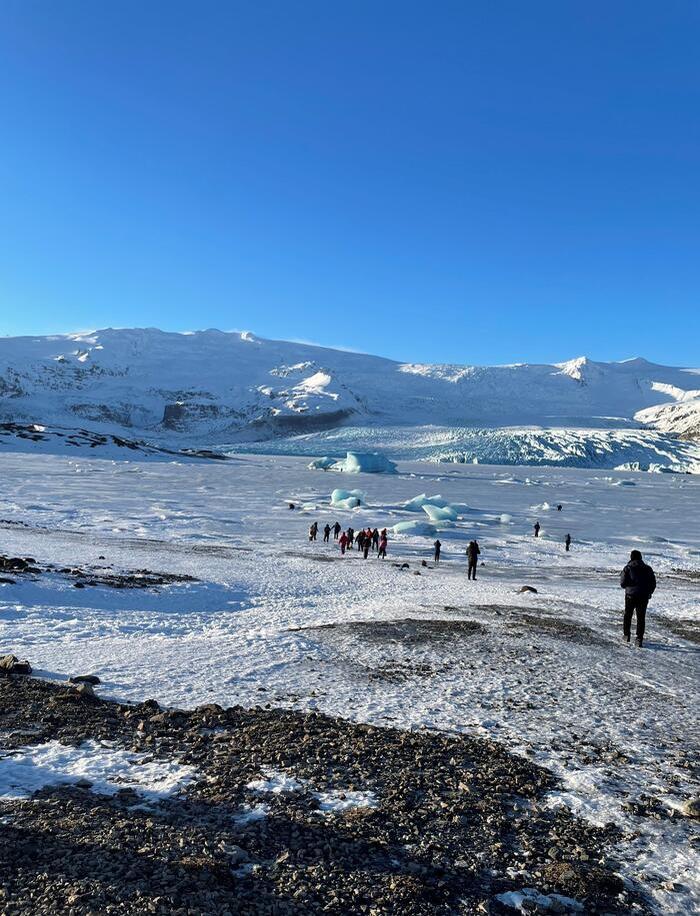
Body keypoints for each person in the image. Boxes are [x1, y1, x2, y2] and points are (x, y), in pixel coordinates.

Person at [620, 550, 656, 647]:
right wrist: (649, 592)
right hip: (643, 596)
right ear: (640, 557)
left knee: (628, 615)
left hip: (630, 596)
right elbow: (653, 583)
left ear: (631, 557)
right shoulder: (648, 568)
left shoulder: (628, 568)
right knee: (641, 618)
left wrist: (629, 586)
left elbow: (622, 583)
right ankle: (639, 639)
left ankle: (626, 635)